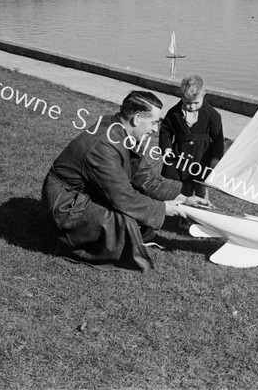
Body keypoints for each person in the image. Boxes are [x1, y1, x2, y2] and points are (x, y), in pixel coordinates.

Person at [41, 90, 210, 271]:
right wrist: (164, 209)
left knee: (137, 218)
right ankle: (67, 243)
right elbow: (123, 197)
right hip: (65, 203)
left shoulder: (121, 130)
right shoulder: (103, 145)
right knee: (125, 222)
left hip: (83, 193)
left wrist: (182, 199)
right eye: (154, 123)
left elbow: (145, 178)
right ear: (137, 119)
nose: (155, 130)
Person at [159, 75, 224, 199]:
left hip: (202, 156)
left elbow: (217, 138)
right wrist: (166, 148)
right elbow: (166, 130)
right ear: (181, 96)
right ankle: (185, 208)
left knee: (201, 186)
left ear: (204, 95)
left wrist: (216, 157)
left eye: (196, 103)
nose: (192, 107)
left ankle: (203, 208)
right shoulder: (174, 113)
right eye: (188, 103)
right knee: (186, 185)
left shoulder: (212, 114)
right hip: (182, 155)